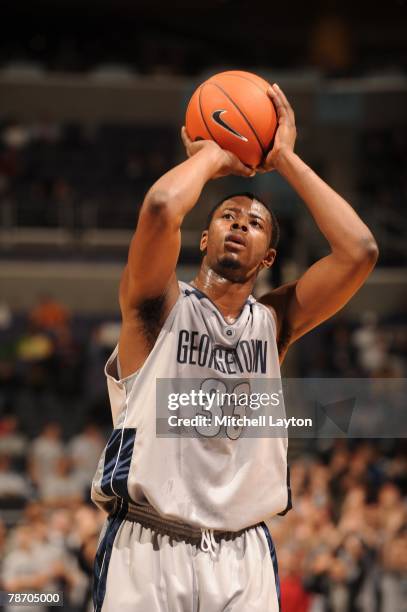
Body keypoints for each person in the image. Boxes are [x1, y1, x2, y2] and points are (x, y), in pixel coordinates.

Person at [91, 83, 378, 611]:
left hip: (244, 555)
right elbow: (159, 208)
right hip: (150, 548)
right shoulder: (158, 309)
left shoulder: (274, 322)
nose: (240, 225)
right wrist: (214, 156)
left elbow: (359, 250)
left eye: (255, 223)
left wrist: (285, 158)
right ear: (204, 238)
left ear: (268, 257)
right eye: (228, 217)